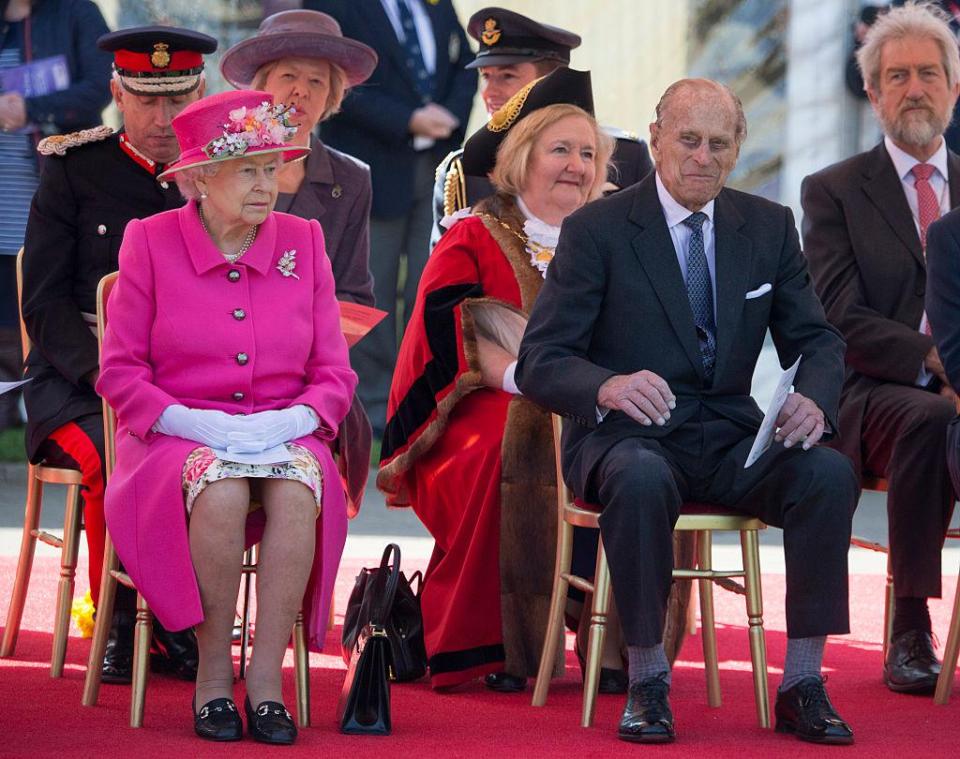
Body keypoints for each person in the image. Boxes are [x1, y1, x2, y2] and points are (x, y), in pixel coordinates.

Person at [516, 78, 858, 745]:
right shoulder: (597, 230)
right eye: (689, 139)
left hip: (731, 439)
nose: (703, 156)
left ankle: (803, 682)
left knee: (828, 474)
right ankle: (646, 679)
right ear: (656, 140)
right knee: (642, 478)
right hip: (625, 439)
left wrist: (814, 397)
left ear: (735, 151)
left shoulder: (766, 226)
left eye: (718, 143)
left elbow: (817, 338)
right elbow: (542, 360)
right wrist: (608, 384)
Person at [96, 89, 356, 744]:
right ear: (199, 177)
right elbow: (120, 371)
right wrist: (191, 423)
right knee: (222, 487)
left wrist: (293, 420)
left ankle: (265, 682)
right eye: (248, 169)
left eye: (272, 168)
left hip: (282, 428)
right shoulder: (150, 242)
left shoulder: (305, 240)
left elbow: (334, 373)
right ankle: (214, 678)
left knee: (301, 489)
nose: (266, 185)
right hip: (175, 436)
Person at [378, 69, 614, 691]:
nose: (577, 165)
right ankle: (492, 643)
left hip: (597, 401)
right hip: (489, 400)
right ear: (520, 158)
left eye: (588, 152)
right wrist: (523, 380)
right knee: (507, 444)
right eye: (559, 149)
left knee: (639, 446)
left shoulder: (617, 236)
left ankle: (616, 639)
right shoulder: (476, 234)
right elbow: (445, 332)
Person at [20, 25, 215, 685]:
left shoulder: (219, 173)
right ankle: (123, 617)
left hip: (193, 382)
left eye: (177, 99)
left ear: (202, 91)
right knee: (116, 456)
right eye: (144, 100)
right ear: (115, 94)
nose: (162, 119)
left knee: (217, 458)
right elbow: (42, 303)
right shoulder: (74, 169)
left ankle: (187, 619)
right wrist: (112, 379)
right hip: (83, 382)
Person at [803, 1, 959, 695]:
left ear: (955, 87)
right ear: (871, 94)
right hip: (875, 391)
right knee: (933, 417)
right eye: (897, 76)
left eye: (930, 73)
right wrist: (938, 361)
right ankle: (908, 624)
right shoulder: (833, 190)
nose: (915, 88)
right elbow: (838, 315)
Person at [219, 8, 377, 514]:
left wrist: (300, 356)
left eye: (316, 81)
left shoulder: (352, 180)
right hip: (216, 364)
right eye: (288, 76)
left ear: (332, 96)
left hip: (305, 373)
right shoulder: (219, 166)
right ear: (262, 86)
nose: (300, 92)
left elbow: (355, 297)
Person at [304, 0, 475, 438]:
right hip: (370, 167)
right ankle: (373, 410)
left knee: (428, 284)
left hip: (435, 166)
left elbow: (465, 61)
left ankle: (418, 400)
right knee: (369, 292)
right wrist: (409, 120)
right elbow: (335, 84)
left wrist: (450, 116)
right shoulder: (332, 5)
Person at [432, 7, 653, 246]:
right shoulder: (466, 170)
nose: (488, 93)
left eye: (507, 76)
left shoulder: (627, 155)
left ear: (549, 83)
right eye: (486, 77)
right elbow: (448, 276)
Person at [0, 0, 112, 431]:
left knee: (34, 296)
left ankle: (33, 400)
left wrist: (31, 110)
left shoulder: (76, 13)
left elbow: (101, 85)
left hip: (49, 189)